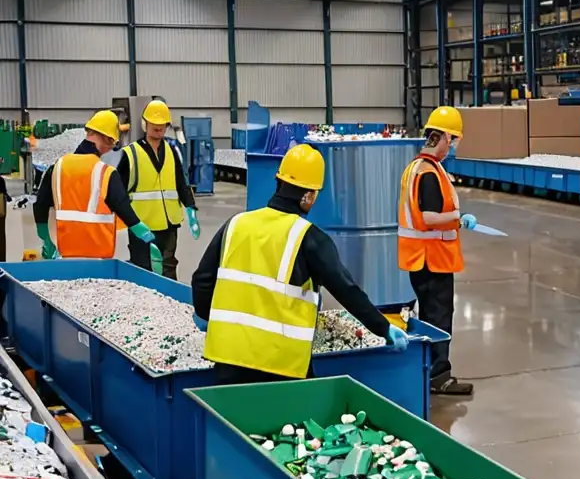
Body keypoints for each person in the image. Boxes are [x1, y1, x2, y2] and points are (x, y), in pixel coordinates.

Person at [192, 144, 406, 384]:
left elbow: (202, 279)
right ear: (309, 196)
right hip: (280, 365)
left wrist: (203, 313)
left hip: (228, 359)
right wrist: (383, 328)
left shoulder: (235, 224)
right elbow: (346, 290)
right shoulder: (309, 238)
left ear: (278, 181)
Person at [398, 106, 474, 396]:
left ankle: (427, 370)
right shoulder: (428, 173)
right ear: (440, 137)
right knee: (439, 317)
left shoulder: (417, 167)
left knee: (430, 315)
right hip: (432, 259)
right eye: (451, 139)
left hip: (422, 258)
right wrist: (459, 219)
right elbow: (428, 218)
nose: (452, 146)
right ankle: (439, 375)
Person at [33, 110, 162, 271]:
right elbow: (124, 209)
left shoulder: (57, 168)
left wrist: (46, 239)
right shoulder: (105, 173)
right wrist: (146, 236)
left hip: (63, 256)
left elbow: (40, 206)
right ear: (108, 139)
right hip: (99, 259)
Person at [116, 100, 199, 280]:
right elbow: (117, 193)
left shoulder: (171, 151)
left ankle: (170, 304)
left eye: (163, 124)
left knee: (168, 267)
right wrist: (130, 222)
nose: (158, 127)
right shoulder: (131, 153)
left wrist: (191, 208)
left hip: (169, 224)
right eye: (154, 123)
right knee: (143, 269)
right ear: (145, 124)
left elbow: (181, 183)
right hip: (142, 226)